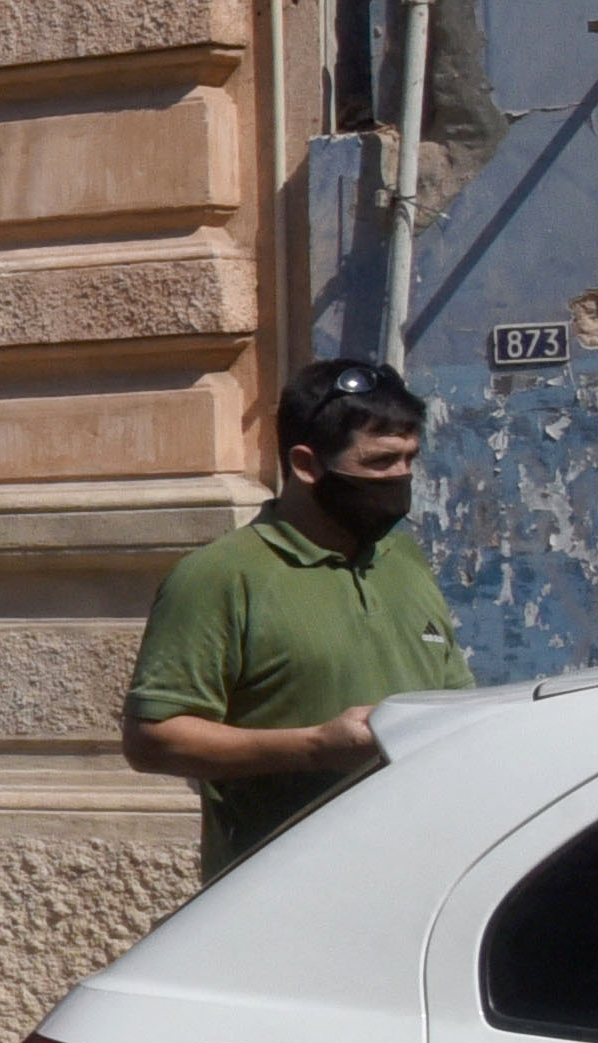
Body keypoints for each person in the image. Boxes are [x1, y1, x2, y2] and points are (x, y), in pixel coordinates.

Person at [124, 356, 464, 880]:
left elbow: (455, 699)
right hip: (283, 892)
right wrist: (315, 747)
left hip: (420, 879)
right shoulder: (220, 577)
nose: (401, 477)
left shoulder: (405, 561)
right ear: (306, 465)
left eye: (410, 460)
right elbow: (153, 738)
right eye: (379, 463)